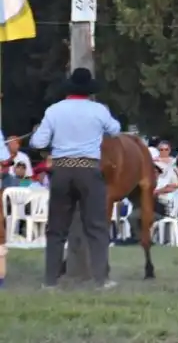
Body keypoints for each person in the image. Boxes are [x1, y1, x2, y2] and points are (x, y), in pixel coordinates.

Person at [30, 68, 121, 289]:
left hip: (61, 171)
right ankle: (101, 279)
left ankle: (50, 281)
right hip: (89, 170)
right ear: (89, 90)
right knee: (96, 227)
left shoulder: (54, 110)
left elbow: (38, 143)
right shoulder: (99, 110)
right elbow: (116, 130)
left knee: (57, 229)